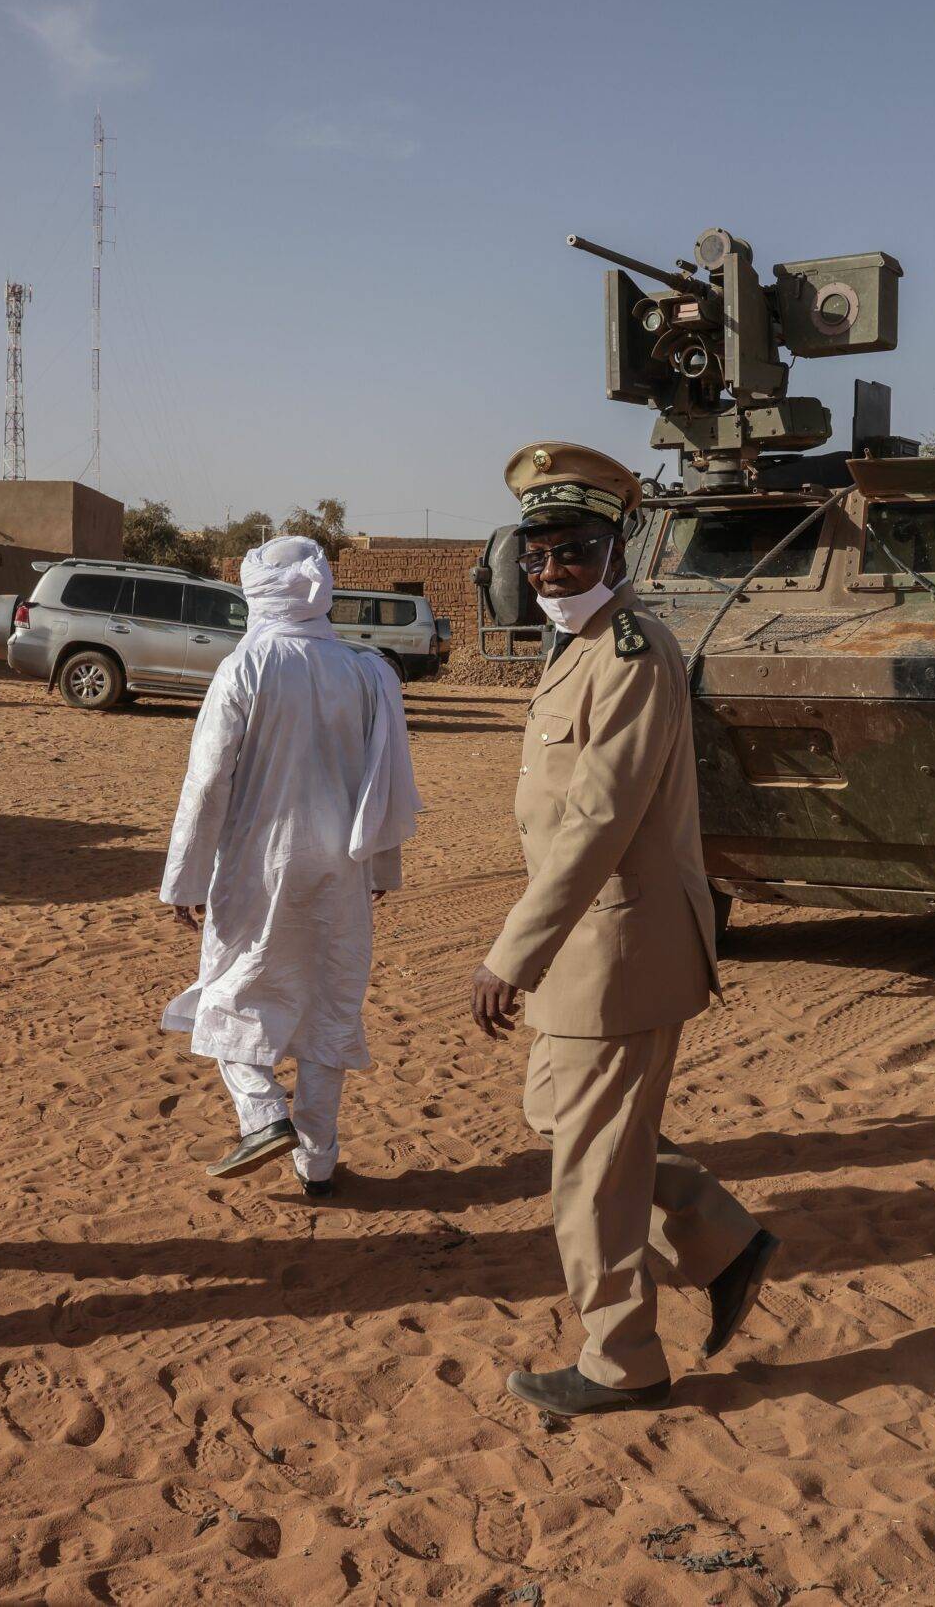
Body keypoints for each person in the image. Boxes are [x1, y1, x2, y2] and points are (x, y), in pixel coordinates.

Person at [468, 441, 777, 1418]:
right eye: (540, 550)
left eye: (575, 549)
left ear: (619, 550)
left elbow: (595, 824)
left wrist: (509, 954)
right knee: (565, 1122)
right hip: (590, 946)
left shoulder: (634, 657)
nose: (552, 568)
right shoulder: (586, 650)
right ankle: (719, 1237)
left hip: (615, 948)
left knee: (590, 1169)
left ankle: (622, 1360)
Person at [160, 535, 419, 1200]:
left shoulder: (247, 666)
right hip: (343, 866)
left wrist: (185, 879)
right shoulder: (367, 671)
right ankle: (319, 1165)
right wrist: (381, 867)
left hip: (258, 863)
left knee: (226, 990)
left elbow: (209, 780)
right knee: (329, 1006)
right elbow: (386, 777)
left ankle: (262, 1114)